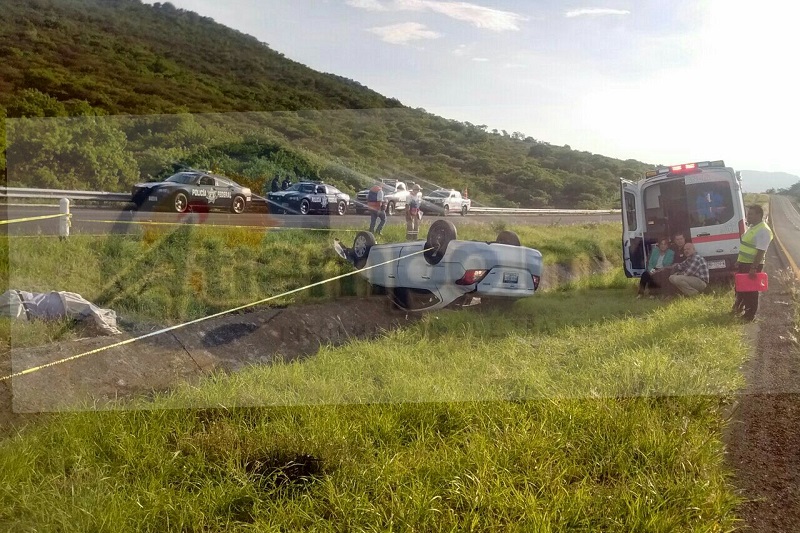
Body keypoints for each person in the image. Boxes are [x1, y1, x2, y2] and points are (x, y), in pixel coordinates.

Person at [732, 204, 773, 322]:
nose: (747, 216)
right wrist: (739, 261)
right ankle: (739, 308)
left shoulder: (763, 230)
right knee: (741, 289)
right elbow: (746, 246)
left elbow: (761, 251)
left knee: (751, 291)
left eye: (750, 214)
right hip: (744, 263)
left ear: (758, 215)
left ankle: (750, 315)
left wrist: (753, 268)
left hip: (752, 265)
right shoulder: (753, 227)